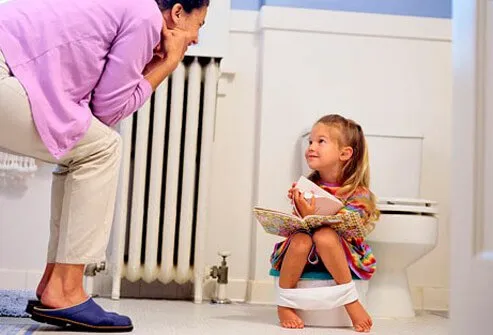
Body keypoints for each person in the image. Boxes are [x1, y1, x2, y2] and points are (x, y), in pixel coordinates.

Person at [0, 0, 208, 332]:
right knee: (102, 148)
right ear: (178, 12)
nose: (195, 39)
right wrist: (168, 62)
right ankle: (64, 289)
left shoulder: (128, 9)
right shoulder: (144, 17)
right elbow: (109, 111)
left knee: (85, 147)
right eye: (200, 25)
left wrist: (150, 62)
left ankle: (54, 284)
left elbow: (97, 107)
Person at [271, 114, 379, 332]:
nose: (311, 146)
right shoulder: (307, 186)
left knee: (324, 235)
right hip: (306, 253)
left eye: (321, 141)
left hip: (341, 252)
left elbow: (352, 228)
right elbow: (301, 227)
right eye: (310, 141)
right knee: (300, 239)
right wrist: (302, 212)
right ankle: (285, 304)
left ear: (345, 153)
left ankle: (350, 300)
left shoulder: (359, 193)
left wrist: (318, 216)